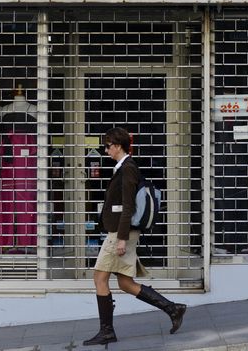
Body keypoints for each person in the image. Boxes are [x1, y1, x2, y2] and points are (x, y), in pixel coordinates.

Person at [83, 127, 186, 346]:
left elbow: (128, 205)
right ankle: (172, 308)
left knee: (99, 278)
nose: (106, 150)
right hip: (123, 232)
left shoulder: (128, 168)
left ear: (117, 146)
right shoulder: (123, 167)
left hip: (121, 234)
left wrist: (121, 238)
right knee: (125, 282)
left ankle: (107, 331)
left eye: (107, 146)